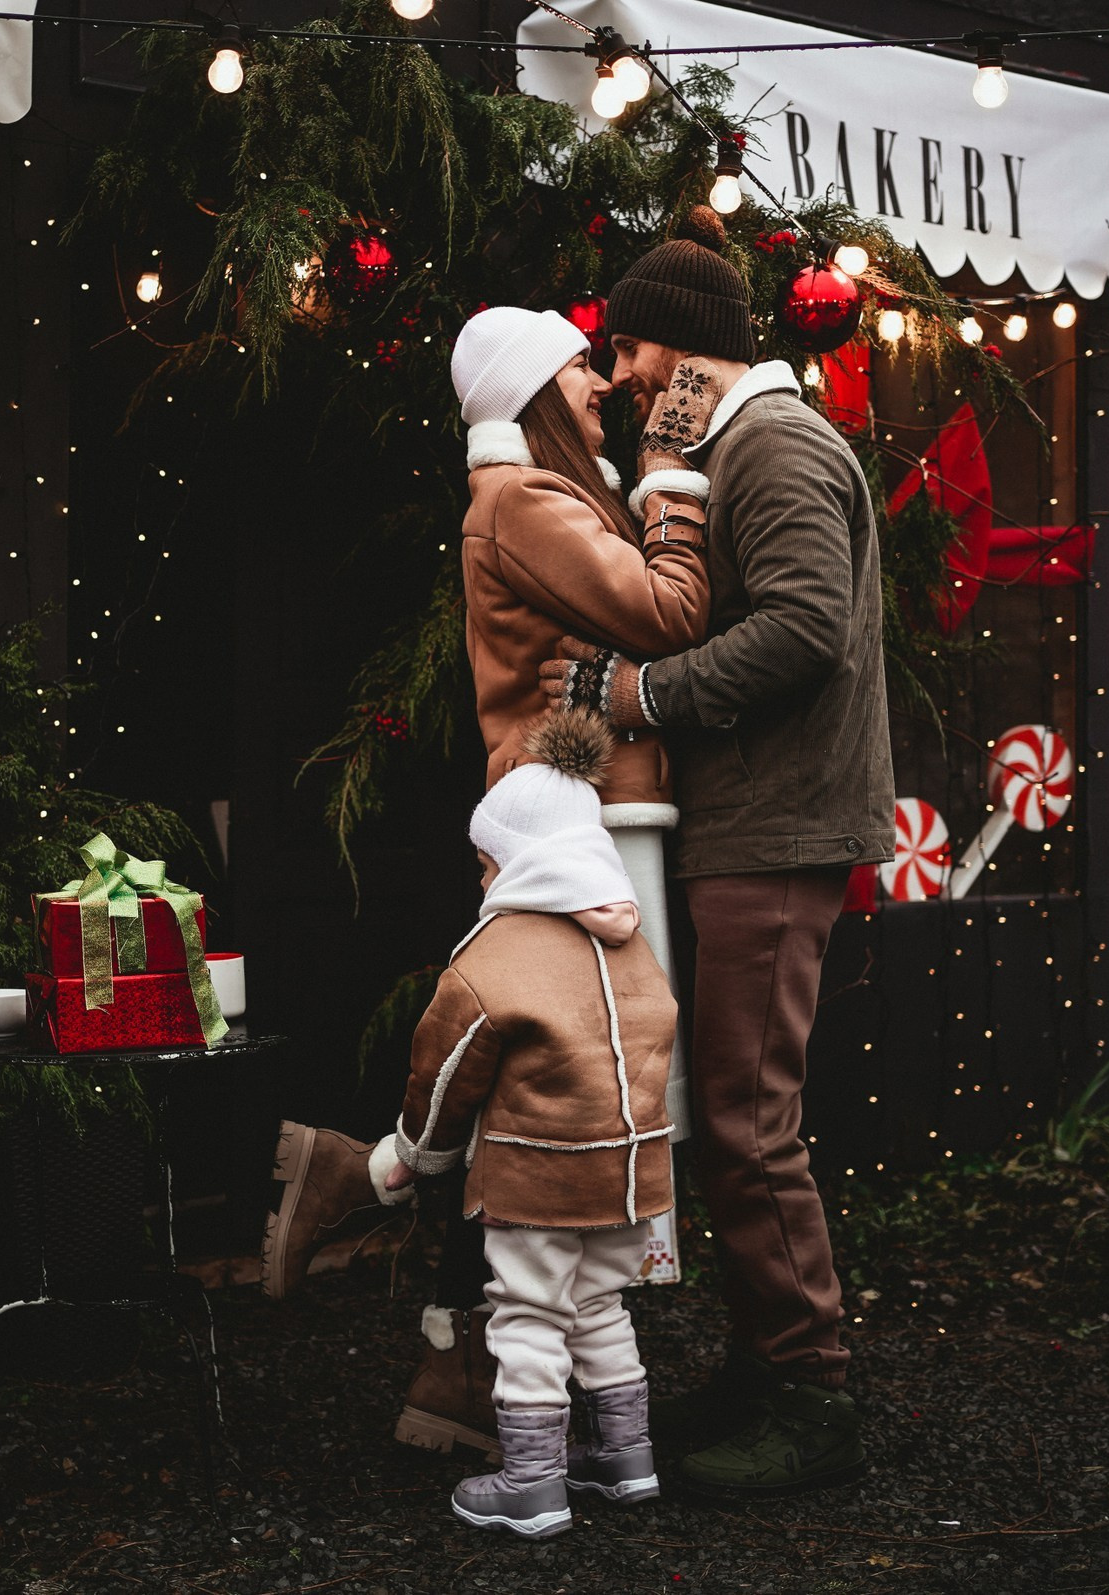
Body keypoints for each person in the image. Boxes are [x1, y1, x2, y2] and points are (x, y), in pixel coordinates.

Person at [260, 304, 713, 1458]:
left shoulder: (552, 502)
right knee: (558, 1097)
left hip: (592, 815)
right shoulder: (523, 503)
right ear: (528, 388)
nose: (603, 384)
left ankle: (433, 1319)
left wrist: (617, 658)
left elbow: (637, 634)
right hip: (578, 827)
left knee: (549, 1091)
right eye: (579, 367)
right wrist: (671, 487)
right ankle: (448, 1327)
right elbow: (669, 610)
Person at [542, 203, 897, 1499]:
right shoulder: (728, 447)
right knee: (741, 1113)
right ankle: (765, 1368)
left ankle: (811, 1394)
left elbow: (806, 629)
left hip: (781, 822)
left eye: (633, 350)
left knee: (748, 1119)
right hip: (755, 819)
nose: (623, 375)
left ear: (690, 351)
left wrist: (640, 695)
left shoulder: (779, 448)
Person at [371, 705, 678, 1538]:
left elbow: (443, 1072)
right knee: (601, 1302)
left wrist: (420, 1153)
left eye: (488, 860)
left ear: (522, 857)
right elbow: (658, 1035)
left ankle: (533, 1481)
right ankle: (627, 1457)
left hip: (537, 1171)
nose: (482, 878)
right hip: (628, 1174)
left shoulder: (495, 954)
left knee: (529, 1314)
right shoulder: (631, 943)